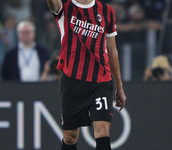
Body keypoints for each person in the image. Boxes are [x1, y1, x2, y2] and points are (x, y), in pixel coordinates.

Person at [46, 0, 127, 150]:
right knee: (70, 137)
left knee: (103, 131)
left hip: (101, 81)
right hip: (72, 81)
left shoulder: (106, 11)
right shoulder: (65, 8)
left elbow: (112, 51)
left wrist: (119, 87)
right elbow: (52, 3)